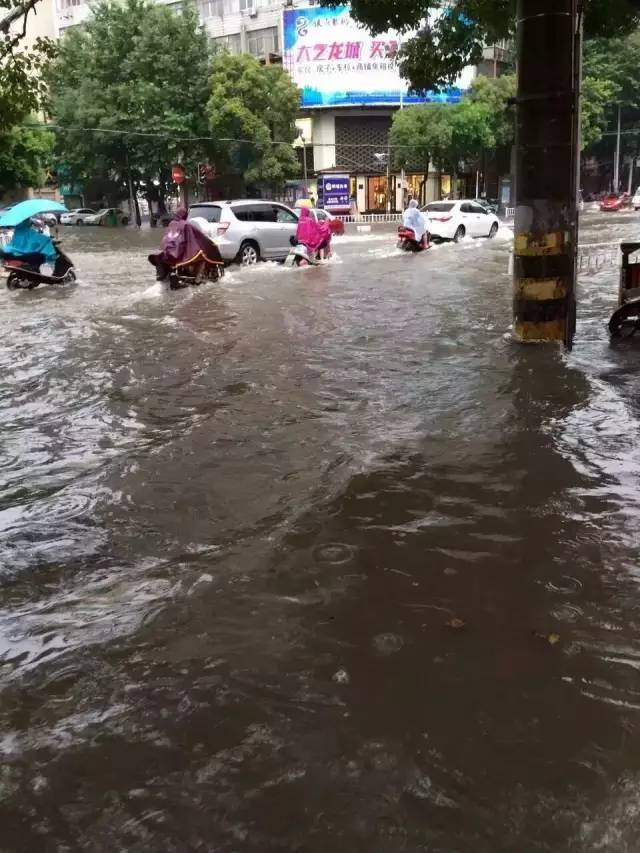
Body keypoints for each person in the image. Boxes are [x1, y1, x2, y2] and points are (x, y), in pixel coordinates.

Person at [148, 207, 223, 281]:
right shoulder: (186, 225)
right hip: (176, 254)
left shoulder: (171, 224)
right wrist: (210, 243)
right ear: (185, 215)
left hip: (166, 252)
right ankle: (197, 280)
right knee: (201, 255)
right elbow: (199, 236)